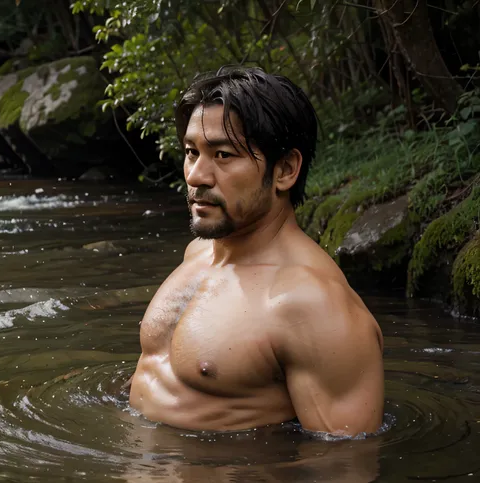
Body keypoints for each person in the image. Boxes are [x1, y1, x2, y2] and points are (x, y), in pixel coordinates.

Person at [127, 66, 385, 436]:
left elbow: (344, 463)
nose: (196, 176)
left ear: (285, 170)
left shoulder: (313, 305)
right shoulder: (198, 254)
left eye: (223, 155)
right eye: (191, 152)